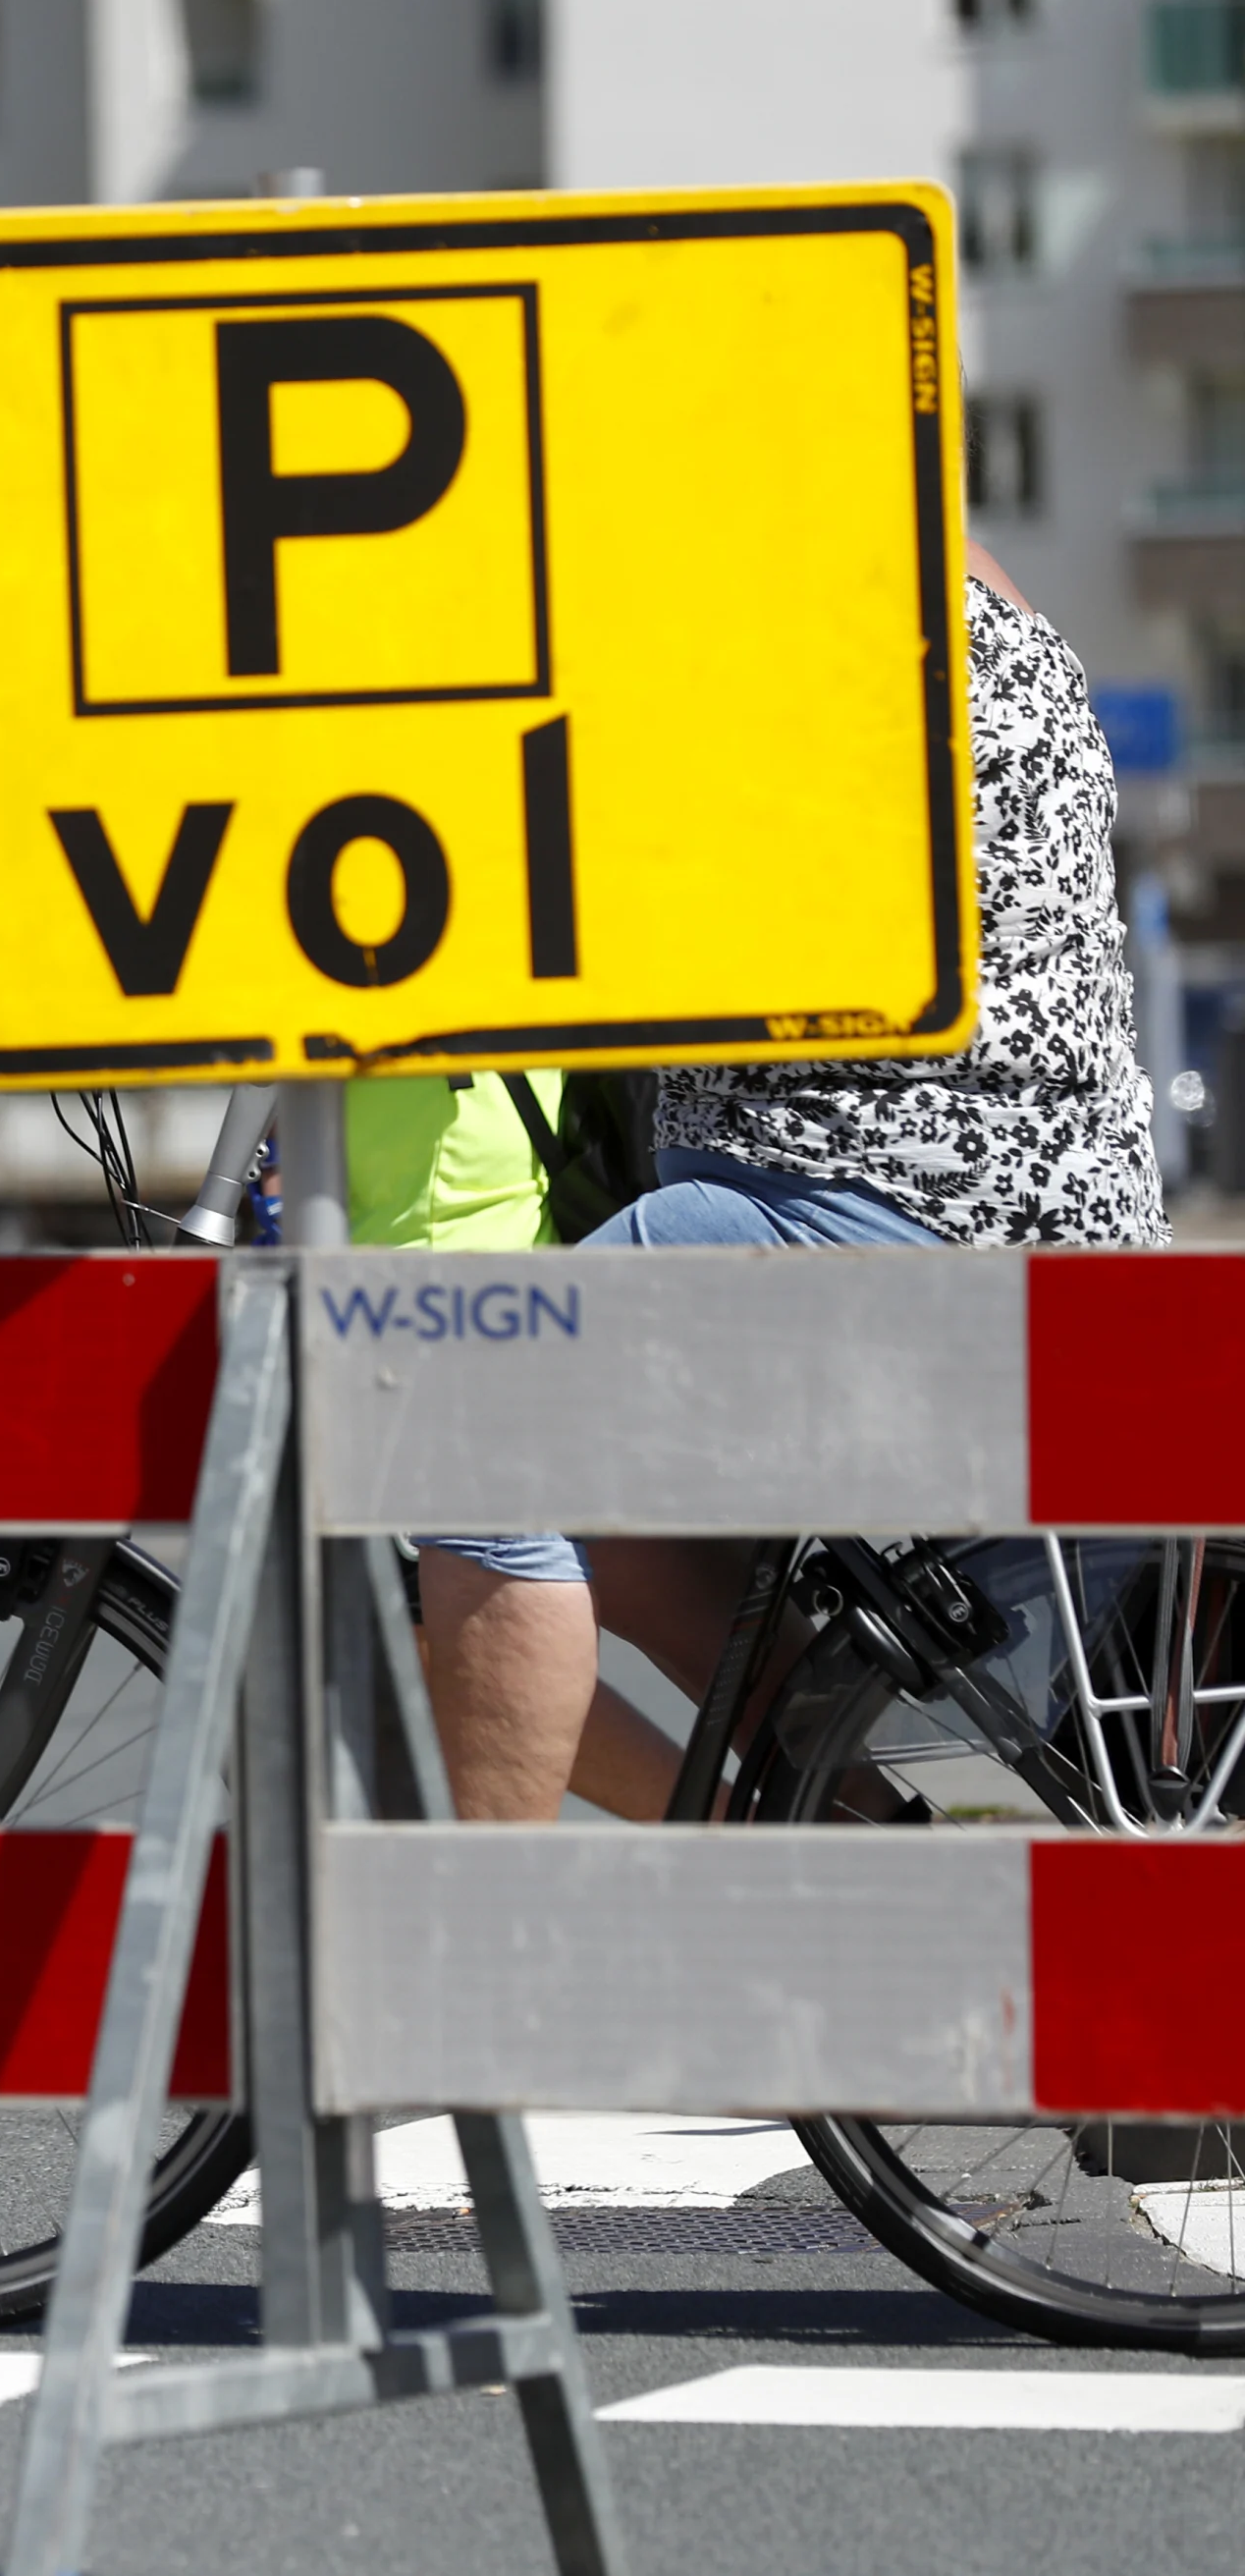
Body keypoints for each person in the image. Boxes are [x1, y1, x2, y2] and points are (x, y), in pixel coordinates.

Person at [419, 551, 1166, 1824]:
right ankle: (831, 1830)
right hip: (1054, 1228)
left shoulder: (808, 592)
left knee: (469, 1421)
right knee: (617, 1519)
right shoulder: (982, 588)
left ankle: (481, 1960)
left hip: (873, 1220)